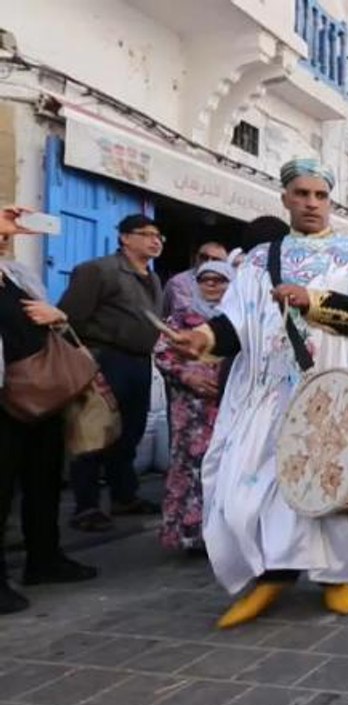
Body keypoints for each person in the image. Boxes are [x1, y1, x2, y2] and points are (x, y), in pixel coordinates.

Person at [172, 159, 348, 629]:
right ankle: (274, 573)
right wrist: (203, 340)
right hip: (265, 392)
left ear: (331, 201)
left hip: (328, 389)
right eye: (302, 194)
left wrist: (313, 301)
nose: (312, 203)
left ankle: (337, 575)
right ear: (285, 198)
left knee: (330, 478)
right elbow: (234, 322)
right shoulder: (256, 260)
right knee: (248, 481)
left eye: (320, 196)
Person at [0, 207, 97, 613]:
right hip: (5, 400)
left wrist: (57, 316)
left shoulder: (16, 275)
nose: (6, 240)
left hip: (42, 395)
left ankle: (45, 559)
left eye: (6, 236)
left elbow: (50, 319)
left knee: (43, 480)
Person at [59, 214, 164, 532]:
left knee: (131, 431)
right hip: (104, 358)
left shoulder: (153, 278)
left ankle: (123, 495)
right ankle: (86, 505)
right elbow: (70, 318)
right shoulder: (98, 270)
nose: (154, 240)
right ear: (124, 238)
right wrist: (85, 361)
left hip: (139, 361)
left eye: (158, 235)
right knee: (95, 430)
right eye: (146, 234)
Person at [153, 260, 233, 554]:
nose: (211, 285)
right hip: (192, 410)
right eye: (205, 280)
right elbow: (162, 353)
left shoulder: (240, 321)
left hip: (229, 407)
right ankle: (192, 535)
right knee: (191, 469)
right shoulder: (180, 320)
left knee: (227, 470)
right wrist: (189, 376)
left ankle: (227, 537)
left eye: (220, 280)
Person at [163, 241, 229, 315]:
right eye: (204, 257)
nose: (208, 262)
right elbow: (189, 315)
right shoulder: (179, 282)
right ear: (196, 257)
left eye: (215, 259)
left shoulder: (231, 284)